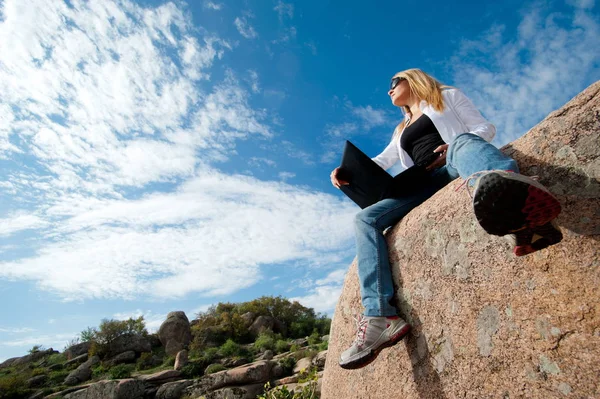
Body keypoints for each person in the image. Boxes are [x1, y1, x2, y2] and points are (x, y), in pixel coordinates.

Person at [330, 68, 563, 370]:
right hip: (421, 182)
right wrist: (347, 173)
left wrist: (453, 146)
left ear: (411, 79)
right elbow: (381, 162)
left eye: (393, 83)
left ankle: (515, 205)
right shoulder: (401, 128)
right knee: (364, 219)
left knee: (465, 140)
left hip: (454, 160)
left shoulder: (445, 96)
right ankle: (379, 316)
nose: (389, 90)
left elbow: (484, 128)